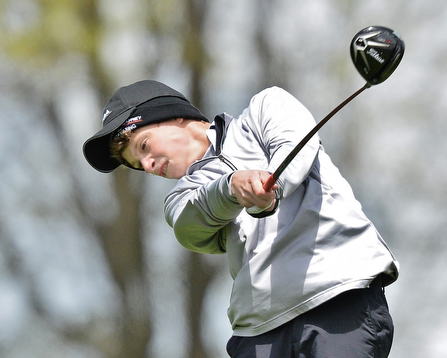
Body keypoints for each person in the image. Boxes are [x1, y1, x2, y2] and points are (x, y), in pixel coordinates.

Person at [82, 80, 399, 358]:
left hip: (338, 300)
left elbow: (294, 150)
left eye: (144, 147)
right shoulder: (180, 198)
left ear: (172, 116)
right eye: (137, 164)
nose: (148, 165)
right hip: (258, 336)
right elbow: (191, 222)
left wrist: (271, 188)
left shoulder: (265, 108)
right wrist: (233, 188)